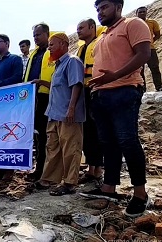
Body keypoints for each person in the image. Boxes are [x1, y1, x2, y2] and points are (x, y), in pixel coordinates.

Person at [79, 0, 151, 217]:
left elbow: (144, 54)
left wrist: (115, 76)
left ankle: (140, 194)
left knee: (127, 141)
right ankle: (109, 187)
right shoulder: (102, 36)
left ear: (119, 6)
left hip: (124, 90)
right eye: (98, 9)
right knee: (108, 143)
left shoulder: (133, 23)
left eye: (105, 7)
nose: (100, 12)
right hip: (101, 96)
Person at [30, 33, 85, 196]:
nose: (49, 48)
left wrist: (71, 108)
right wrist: (41, 82)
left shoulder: (72, 61)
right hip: (53, 114)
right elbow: (57, 87)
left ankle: (69, 183)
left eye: (52, 45)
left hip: (67, 114)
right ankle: (49, 179)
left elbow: (76, 85)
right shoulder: (58, 66)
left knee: (70, 148)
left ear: (63, 44)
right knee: (52, 147)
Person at [0, 34, 23, 184]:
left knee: (10, 135)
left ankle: (9, 169)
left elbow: (17, 78)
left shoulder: (15, 59)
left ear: (7, 43)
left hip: (11, 104)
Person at [23, 23, 56, 182]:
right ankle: (39, 168)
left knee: (45, 136)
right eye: (34, 35)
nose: (35, 38)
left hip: (48, 97)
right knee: (36, 135)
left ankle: (45, 171)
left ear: (47, 34)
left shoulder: (53, 51)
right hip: (32, 99)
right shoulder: (34, 54)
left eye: (38, 35)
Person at [76, 18, 105, 185]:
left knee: (97, 130)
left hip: (97, 90)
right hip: (83, 92)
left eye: (81, 28)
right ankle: (90, 168)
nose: (78, 31)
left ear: (92, 27)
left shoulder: (100, 43)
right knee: (86, 131)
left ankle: (98, 168)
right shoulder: (81, 48)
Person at [136, 6, 162, 91]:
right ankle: (142, 89)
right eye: (140, 12)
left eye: (144, 11)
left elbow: (157, 34)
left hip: (150, 49)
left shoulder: (152, 22)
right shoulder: (134, 24)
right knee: (140, 71)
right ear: (137, 14)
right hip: (137, 51)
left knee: (155, 68)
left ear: (146, 12)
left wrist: (150, 42)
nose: (142, 13)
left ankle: (159, 87)